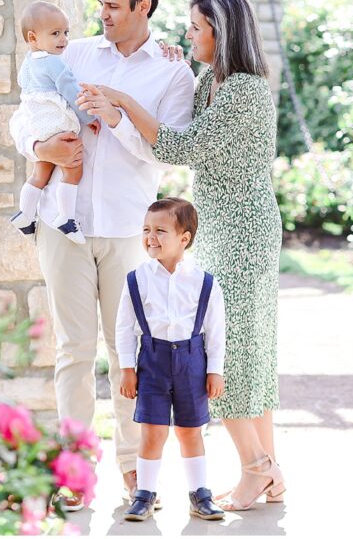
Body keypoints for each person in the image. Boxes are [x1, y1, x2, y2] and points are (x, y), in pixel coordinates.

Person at [78, 0, 285, 512]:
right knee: (248, 348)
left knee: (233, 353)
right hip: (224, 226)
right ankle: (270, 473)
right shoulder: (209, 83)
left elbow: (178, 146)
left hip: (243, 231)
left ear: (221, 31)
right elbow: (179, 119)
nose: (187, 36)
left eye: (195, 28)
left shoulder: (242, 91)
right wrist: (172, 58)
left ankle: (256, 469)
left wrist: (123, 100)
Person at [9, 0, 196, 510]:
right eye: (101, 4)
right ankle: (73, 471)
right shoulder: (77, 52)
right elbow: (27, 113)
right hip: (60, 224)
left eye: (113, 5)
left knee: (129, 353)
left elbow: (166, 151)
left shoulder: (172, 73)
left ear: (144, 7)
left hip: (127, 229)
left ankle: (137, 472)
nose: (102, 14)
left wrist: (116, 117)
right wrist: (38, 149)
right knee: (72, 349)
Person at [116, 197, 227, 522]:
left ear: (184, 238)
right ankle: (145, 494)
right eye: (146, 229)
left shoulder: (204, 282)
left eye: (160, 230)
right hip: (152, 361)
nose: (151, 237)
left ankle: (200, 493)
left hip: (192, 361)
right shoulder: (137, 279)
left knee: (190, 431)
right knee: (152, 431)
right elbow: (124, 328)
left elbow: (216, 331)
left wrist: (214, 371)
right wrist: (126, 369)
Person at [8, 1, 100, 245]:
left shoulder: (28, 62)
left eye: (66, 32)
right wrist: (88, 118)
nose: (64, 39)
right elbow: (71, 92)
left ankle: (25, 214)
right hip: (58, 124)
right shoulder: (55, 63)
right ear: (33, 37)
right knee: (73, 168)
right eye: (55, 33)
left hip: (39, 126)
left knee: (41, 172)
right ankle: (66, 218)